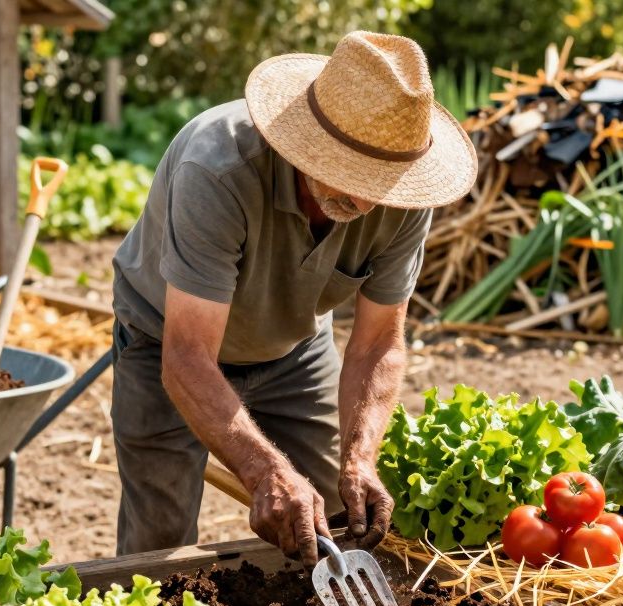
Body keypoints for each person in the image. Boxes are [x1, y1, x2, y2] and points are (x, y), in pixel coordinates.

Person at [110, 31, 477, 565]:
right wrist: (265, 471)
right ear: (309, 142)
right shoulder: (218, 168)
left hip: (294, 350)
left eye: (380, 182)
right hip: (166, 342)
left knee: (337, 516)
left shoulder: (403, 198)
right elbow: (186, 356)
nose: (366, 199)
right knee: (159, 545)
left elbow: (378, 341)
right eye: (351, 173)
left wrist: (360, 458)